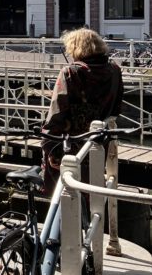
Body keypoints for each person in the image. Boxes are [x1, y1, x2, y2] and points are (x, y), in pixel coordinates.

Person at [41, 28, 124, 194]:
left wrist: (49, 147)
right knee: (91, 192)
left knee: (65, 194)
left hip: (69, 147)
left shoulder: (70, 73)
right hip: (98, 143)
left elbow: (57, 113)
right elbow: (116, 108)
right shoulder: (114, 71)